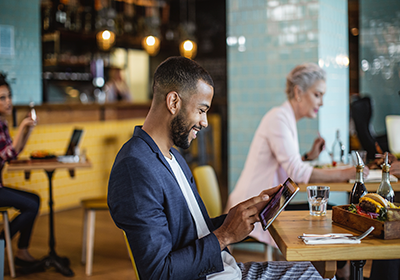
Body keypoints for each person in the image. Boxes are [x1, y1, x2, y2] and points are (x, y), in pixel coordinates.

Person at [108, 57, 327, 280]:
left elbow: (192, 232)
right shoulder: (135, 167)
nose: (205, 122)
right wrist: (225, 235)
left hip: (225, 270)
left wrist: (241, 215)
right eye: (201, 110)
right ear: (173, 102)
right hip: (212, 276)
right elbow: (158, 273)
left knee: (313, 271)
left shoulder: (173, 156)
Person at [0, 74, 41, 270]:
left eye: (9, 96)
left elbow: (14, 154)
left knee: (35, 200)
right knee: (31, 205)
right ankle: (1, 241)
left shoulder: (3, 123)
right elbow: (9, 153)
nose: (8, 102)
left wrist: (29, 130)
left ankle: (22, 251)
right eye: (2, 98)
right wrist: (23, 126)